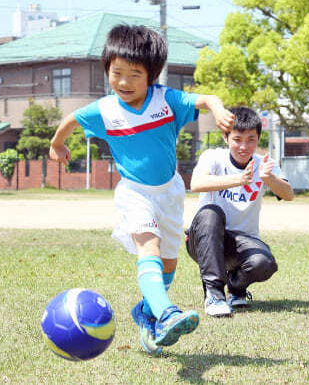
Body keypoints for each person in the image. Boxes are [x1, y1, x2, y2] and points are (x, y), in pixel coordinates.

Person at [49, 24, 234, 354]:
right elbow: (71, 120)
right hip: (134, 193)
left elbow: (207, 98)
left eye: (134, 74)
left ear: (152, 74)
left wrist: (218, 110)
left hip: (171, 192)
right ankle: (166, 312)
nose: (123, 82)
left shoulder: (167, 101)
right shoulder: (104, 110)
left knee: (168, 264)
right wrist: (56, 145)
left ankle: (147, 317)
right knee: (148, 247)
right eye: (115, 72)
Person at [185, 106, 294, 317]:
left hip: (242, 243)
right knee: (211, 213)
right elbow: (196, 183)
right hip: (203, 240)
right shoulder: (213, 157)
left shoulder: (264, 165)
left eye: (251, 139)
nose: (244, 146)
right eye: (237, 139)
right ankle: (215, 295)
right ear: (226, 138)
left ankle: (236, 288)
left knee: (264, 263)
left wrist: (269, 179)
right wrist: (238, 179)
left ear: (258, 139)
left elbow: (288, 194)